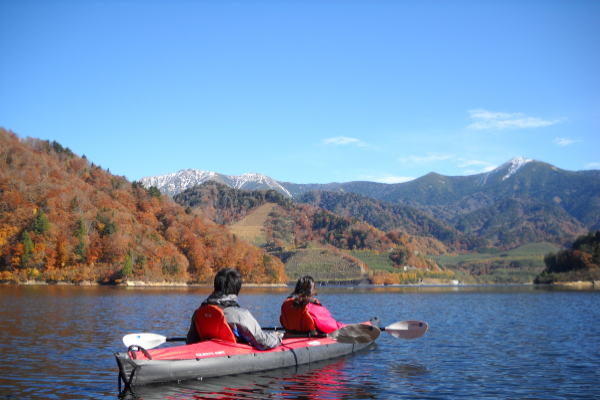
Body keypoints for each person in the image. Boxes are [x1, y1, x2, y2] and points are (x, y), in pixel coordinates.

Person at [186, 267, 282, 350]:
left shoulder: (199, 312)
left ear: (216, 285)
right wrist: (277, 337)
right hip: (233, 356)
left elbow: (190, 342)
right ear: (237, 288)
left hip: (208, 354)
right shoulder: (239, 315)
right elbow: (263, 342)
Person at [280, 275, 346, 335]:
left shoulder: (286, 304)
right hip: (309, 338)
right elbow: (332, 326)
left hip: (291, 336)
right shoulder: (312, 307)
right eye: (314, 288)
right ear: (311, 291)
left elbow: (282, 320)